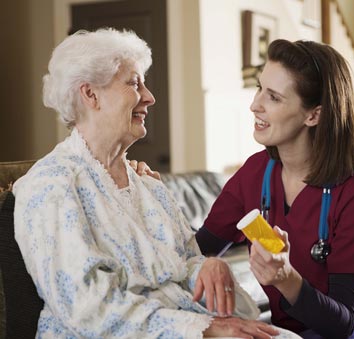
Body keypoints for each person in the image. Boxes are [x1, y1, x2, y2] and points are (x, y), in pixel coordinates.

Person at [12, 28, 302, 339]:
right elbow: (83, 306)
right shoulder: (50, 186)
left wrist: (206, 268)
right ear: (90, 94)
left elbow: (186, 260)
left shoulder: (148, 185)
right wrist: (205, 329)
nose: (149, 97)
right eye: (134, 83)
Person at [195, 39, 354, 339]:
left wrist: (285, 278)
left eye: (274, 98)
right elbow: (197, 250)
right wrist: (143, 189)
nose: (255, 105)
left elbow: (342, 323)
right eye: (259, 88)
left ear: (313, 115)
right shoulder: (255, 173)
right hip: (292, 332)